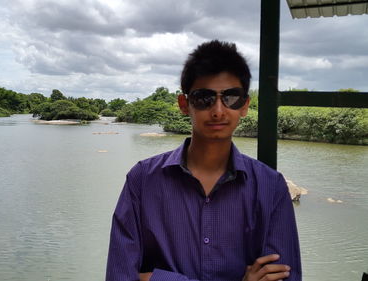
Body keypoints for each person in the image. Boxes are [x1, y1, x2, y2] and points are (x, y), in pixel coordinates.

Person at [105, 40, 301, 281]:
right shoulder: (143, 180)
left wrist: (156, 278)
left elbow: (284, 275)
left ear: (245, 106)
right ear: (184, 104)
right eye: (204, 98)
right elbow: (120, 275)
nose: (218, 110)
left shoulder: (271, 187)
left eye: (231, 97)